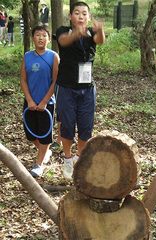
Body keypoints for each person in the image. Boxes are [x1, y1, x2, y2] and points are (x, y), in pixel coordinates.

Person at [55, 1, 105, 180]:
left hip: (87, 88)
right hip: (66, 87)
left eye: (84, 14)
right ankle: (67, 158)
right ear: (70, 17)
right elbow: (63, 41)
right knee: (67, 126)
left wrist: (99, 30)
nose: (81, 16)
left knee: (86, 128)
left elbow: (99, 40)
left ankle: (78, 158)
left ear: (89, 17)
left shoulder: (91, 33)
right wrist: (76, 34)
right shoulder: (63, 30)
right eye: (77, 13)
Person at [20, 25, 60, 177]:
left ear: (49, 39)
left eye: (44, 35)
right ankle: (46, 151)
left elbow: (56, 81)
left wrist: (44, 101)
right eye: (37, 35)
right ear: (32, 38)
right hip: (30, 102)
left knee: (44, 134)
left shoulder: (53, 56)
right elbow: (23, 80)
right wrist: (29, 99)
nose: (41, 38)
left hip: (47, 103)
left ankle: (39, 164)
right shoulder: (27, 56)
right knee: (31, 135)